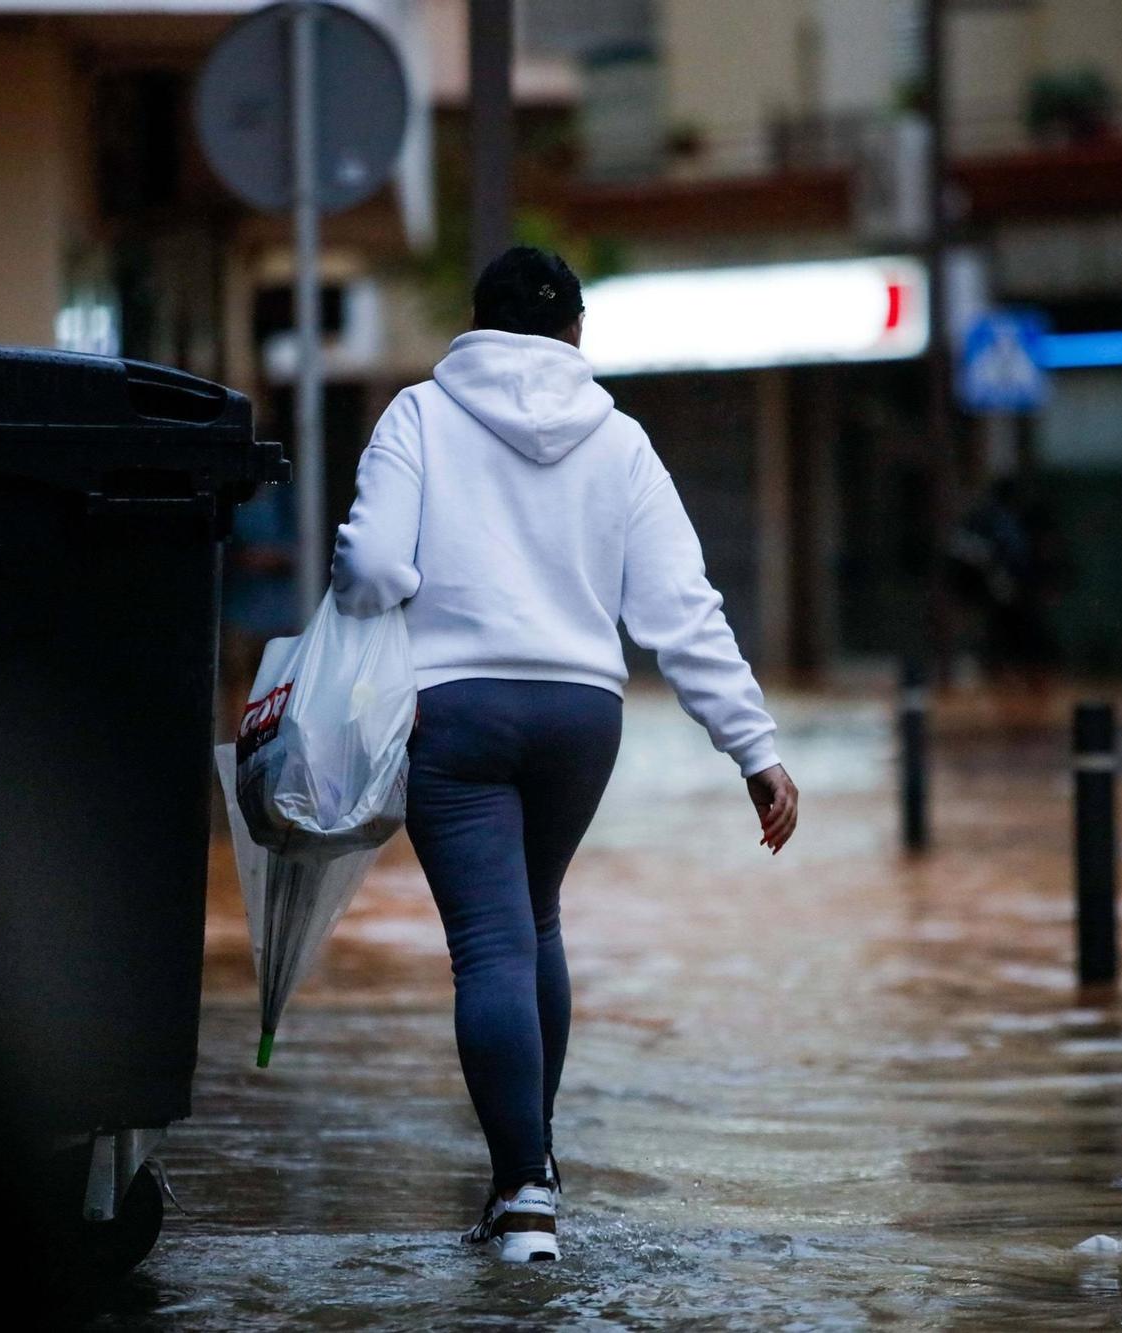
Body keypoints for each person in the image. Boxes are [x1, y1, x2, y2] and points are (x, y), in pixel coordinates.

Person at [330, 246, 798, 1264]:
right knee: (534, 920)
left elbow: (368, 564)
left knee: (491, 945)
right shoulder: (618, 438)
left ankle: (522, 1191)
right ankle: (531, 1178)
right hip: (582, 714)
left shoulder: (419, 413)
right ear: (575, 333)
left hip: (453, 715)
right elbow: (681, 611)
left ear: (474, 323)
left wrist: (390, 610)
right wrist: (752, 748)